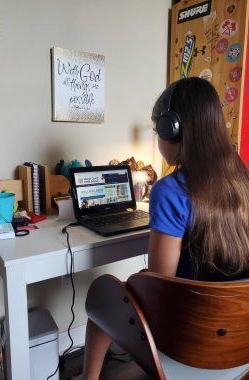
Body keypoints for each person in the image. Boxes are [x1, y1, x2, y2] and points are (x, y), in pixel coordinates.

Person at [76, 77, 249, 379]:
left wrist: (137, 279)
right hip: (238, 343)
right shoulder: (243, 179)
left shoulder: (170, 190)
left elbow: (160, 283)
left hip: (185, 339)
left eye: (158, 130)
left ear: (172, 129)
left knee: (102, 297)